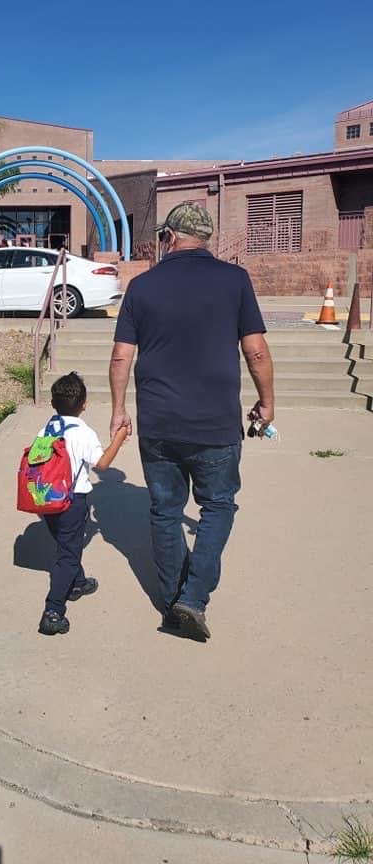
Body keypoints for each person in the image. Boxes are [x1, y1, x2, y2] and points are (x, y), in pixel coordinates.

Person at [108, 202, 274, 642]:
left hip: (159, 422)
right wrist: (267, 402)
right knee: (218, 505)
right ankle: (193, 598)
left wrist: (119, 409)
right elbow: (255, 351)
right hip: (215, 423)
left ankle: (172, 601)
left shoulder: (141, 286)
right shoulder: (234, 280)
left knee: (165, 510)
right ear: (207, 238)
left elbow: (122, 354)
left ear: (169, 237)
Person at [38, 372, 128, 636]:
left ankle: (77, 582)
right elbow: (101, 464)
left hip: (47, 499)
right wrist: (119, 440)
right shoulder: (83, 432)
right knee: (68, 555)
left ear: (53, 404)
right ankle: (52, 610)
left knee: (66, 545)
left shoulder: (46, 429)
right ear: (84, 403)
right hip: (72, 501)